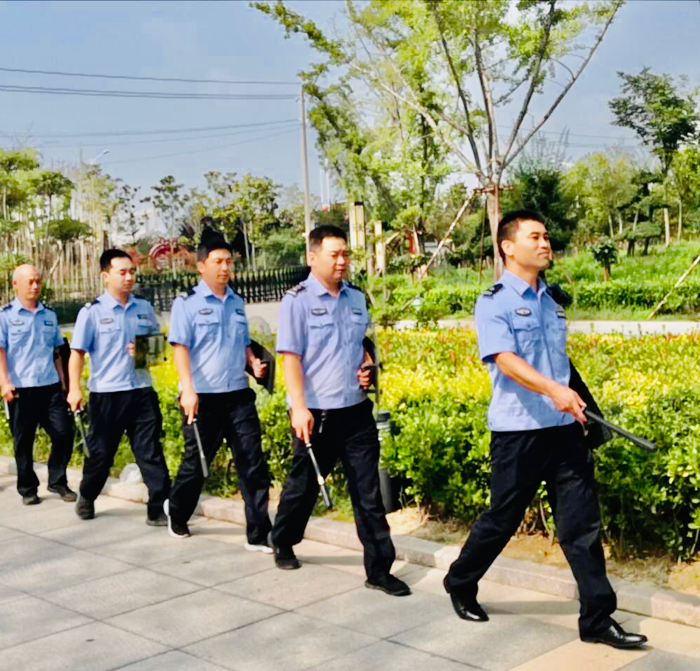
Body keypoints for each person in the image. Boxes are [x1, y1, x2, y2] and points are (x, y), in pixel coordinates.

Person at [443, 210, 647, 650]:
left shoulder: (552, 301)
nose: (544, 243)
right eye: (534, 237)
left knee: (581, 527)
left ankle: (597, 619)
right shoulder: (493, 302)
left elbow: (559, 363)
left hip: (564, 430)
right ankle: (460, 581)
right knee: (502, 519)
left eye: (547, 236)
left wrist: (576, 400)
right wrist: (554, 390)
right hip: (519, 433)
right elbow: (505, 360)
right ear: (507, 247)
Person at [270, 225, 410, 597]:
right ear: (312, 257)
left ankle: (379, 570)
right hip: (316, 413)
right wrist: (298, 407)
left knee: (368, 494)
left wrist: (368, 364)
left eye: (345, 254)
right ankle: (282, 538)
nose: (342, 261)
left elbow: (363, 343)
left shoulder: (356, 297)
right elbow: (290, 358)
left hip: (356, 412)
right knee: (303, 487)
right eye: (334, 254)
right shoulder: (296, 301)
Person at [164, 229, 273, 551]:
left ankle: (258, 534)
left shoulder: (236, 302)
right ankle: (177, 510)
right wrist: (188, 390)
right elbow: (180, 348)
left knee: (253, 464)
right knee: (197, 464)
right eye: (218, 262)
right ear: (201, 266)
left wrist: (253, 362)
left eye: (229, 261)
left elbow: (242, 343)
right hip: (203, 398)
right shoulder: (187, 304)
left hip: (238, 396)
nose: (225, 268)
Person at [68, 249, 170, 525]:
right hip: (107, 394)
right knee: (101, 454)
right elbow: (77, 353)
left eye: (132, 272)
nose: (128, 277)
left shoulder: (143, 308)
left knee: (150, 452)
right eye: (122, 272)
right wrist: (74, 389)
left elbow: (158, 350)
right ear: (105, 276)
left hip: (141, 391)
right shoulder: (92, 312)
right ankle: (87, 495)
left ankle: (157, 508)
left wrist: (144, 351)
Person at [0, 264, 75, 506]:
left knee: (64, 433)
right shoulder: (3, 316)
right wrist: (4, 382)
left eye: (38, 281)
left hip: (49, 385)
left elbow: (57, 352)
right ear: (15, 285)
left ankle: (57, 480)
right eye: (30, 282)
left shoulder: (49, 315)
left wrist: (64, 383)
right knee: (23, 442)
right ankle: (27, 488)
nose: (35, 286)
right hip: (20, 388)